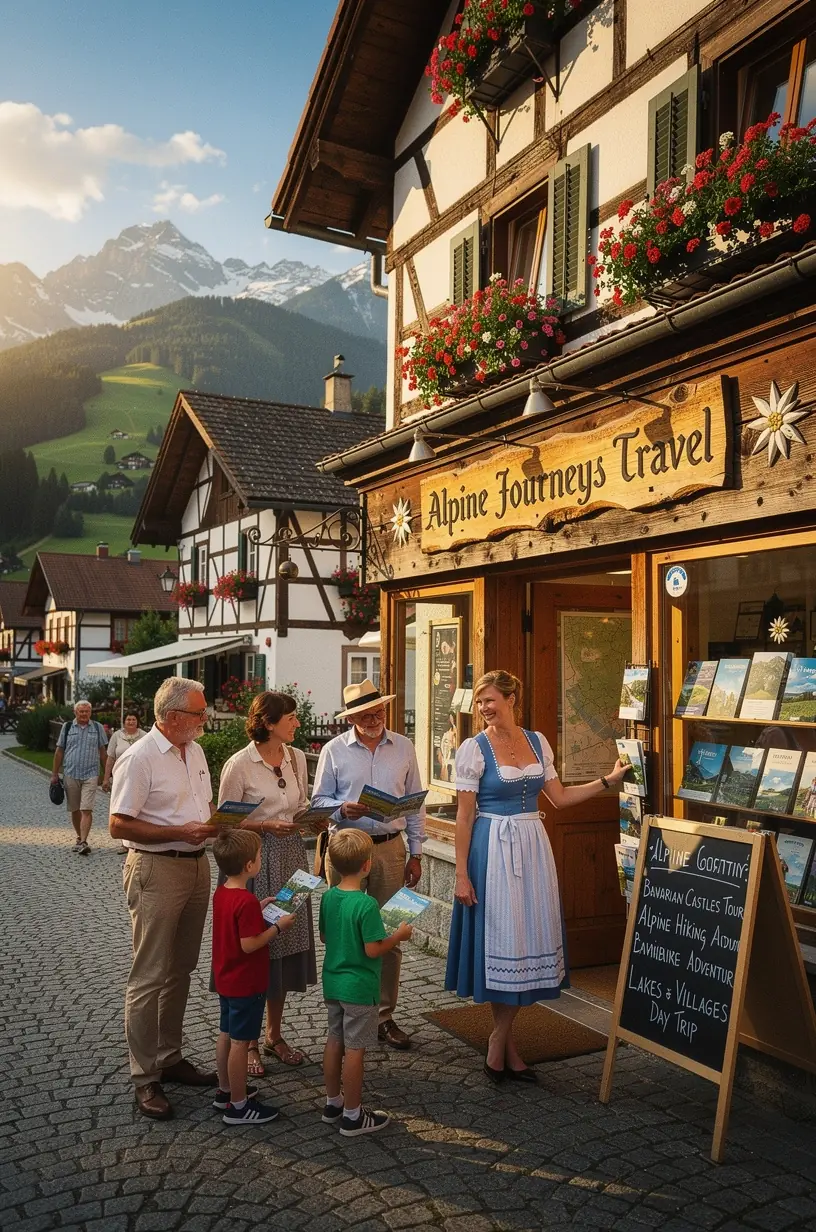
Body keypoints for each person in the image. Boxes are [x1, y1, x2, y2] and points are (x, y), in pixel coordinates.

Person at [446, 669, 628, 1083]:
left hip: (533, 846)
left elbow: (559, 799)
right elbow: (463, 815)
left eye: (490, 700)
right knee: (503, 940)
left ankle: (504, 1042)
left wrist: (607, 780)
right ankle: (501, 1043)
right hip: (492, 848)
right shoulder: (473, 749)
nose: (483, 708)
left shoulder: (537, 741)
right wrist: (461, 872)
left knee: (525, 938)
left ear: (511, 699)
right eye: (479, 702)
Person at [109, 676, 217, 1121]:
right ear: (173, 717)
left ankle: (169, 1057)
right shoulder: (139, 757)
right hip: (155, 867)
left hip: (195, 866)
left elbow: (202, 811)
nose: (205, 718)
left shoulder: (195, 751)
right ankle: (144, 1076)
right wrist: (178, 832)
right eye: (199, 712)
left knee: (181, 968)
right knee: (149, 973)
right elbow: (118, 824)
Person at [311, 678, 426, 1050]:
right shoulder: (333, 750)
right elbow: (318, 802)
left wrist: (417, 852)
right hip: (347, 849)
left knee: (389, 935)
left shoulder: (404, 746)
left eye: (379, 711)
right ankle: (344, 1009)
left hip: (391, 848)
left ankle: (384, 1016)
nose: (375, 718)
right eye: (366, 713)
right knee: (344, 932)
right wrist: (342, 808)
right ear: (352, 718)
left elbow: (415, 802)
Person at [218, 691, 320, 1075]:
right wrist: (263, 825)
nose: (296, 723)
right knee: (257, 950)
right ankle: (247, 1045)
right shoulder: (239, 765)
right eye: (291, 718)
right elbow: (224, 824)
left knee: (284, 947)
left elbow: (299, 806)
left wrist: (315, 818)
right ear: (269, 723)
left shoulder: (295, 758)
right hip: (253, 862)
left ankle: (274, 1035)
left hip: (292, 855)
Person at [319, 829, 412, 1136]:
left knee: (335, 1040)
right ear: (368, 866)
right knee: (356, 1049)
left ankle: (333, 1102)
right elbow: (374, 949)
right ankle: (353, 1115)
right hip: (360, 988)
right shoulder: (367, 905)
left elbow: (324, 936)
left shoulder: (329, 897)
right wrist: (397, 935)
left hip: (333, 983)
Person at [211, 828, 296, 1126]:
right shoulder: (245, 900)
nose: (261, 859)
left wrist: (258, 909)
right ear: (249, 866)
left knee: (226, 1034)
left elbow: (235, 930)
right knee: (239, 1042)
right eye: (259, 856)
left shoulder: (223, 893)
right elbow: (249, 944)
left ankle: (225, 1090)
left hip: (226, 979)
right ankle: (238, 1106)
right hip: (245, 983)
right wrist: (278, 928)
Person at [51, 700, 108, 855]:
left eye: (87, 711)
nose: (84, 714)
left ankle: (83, 841)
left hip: (91, 774)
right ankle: (78, 836)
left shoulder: (97, 728)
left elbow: (103, 753)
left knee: (86, 809)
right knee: (75, 809)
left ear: (90, 712)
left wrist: (107, 776)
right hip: (71, 773)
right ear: (75, 712)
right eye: (81, 711)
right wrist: (55, 773)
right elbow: (59, 752)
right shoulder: (67, 727)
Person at [102, 712, 147, 791]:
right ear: (124, 722)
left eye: (134, 719)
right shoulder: (116, 735)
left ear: (137, 722)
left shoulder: (145, 736)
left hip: (139, 776)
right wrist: (106, 779)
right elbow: (110, 758)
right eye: (128, 719)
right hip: (120, 775)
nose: (131, 722)